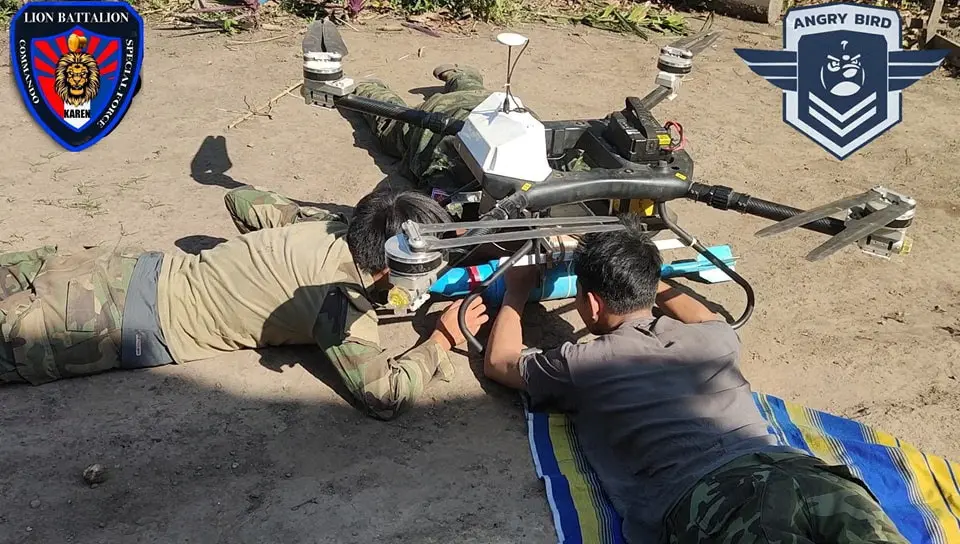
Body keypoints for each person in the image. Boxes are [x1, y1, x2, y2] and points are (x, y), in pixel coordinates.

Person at [482, 213, 908, 544]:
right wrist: (652, 278)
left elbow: (499, 363)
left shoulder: (585, 363)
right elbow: (704, 313)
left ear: (592, 305)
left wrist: (517, 290)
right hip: (808, 475)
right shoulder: (715, 338)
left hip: (719, 502)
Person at [0, 185, 488, 421]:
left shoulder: (323, 228)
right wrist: (441, 339)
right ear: (389, 267)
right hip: (91, 325)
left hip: (100, 269)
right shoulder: (340, 304)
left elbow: (240, 199)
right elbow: (386, 397)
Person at [353, 64, 494, 196]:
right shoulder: (451, 173)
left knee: (473, 94)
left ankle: (462, 77)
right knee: (391, 125)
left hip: (489, 108)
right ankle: (366, 88)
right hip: (437, 118)